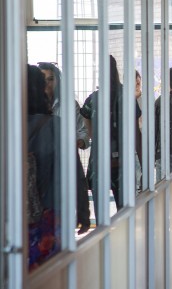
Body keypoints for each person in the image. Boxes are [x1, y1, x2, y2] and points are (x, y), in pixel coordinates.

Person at [81, 55, 142, 222]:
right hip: (124, 165)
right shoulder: (128, 97)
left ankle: (103, 247)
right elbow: (136, 134)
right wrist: (143, 166)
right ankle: (124, 246)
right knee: (125, 216)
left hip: (99, 164)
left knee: (101, 219)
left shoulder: (93, 100)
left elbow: (90, 131)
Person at [38, 62, 91, 235]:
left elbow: (82, 132)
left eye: (51, 79)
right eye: (42, 79)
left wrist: (75, 143)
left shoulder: (69, 104)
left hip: (63, 170)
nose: (47, 83)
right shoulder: (30, 107)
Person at [27, 64, 61, 269]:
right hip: (48, 213)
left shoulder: (8, 124)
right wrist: (82, 210)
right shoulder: (54, 124)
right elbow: (70, 169)